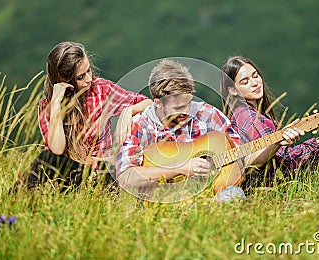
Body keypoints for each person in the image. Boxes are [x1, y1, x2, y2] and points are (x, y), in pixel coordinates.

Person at [115, 59, 302, 202]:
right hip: (164, 203)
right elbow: (126, 177)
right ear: (158, 103)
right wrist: (180, 169)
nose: (185, 112)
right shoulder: (141, 124)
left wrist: (276, 142)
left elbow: (246, 159)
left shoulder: (208, 114)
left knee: (234, 196)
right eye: (177, 108)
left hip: (211, 199)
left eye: (187, 104)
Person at [12, 41, 152, 191]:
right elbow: (57, 150)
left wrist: (128, 111)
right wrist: (56, 105)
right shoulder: (49, 105)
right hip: (72, 173)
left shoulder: (101, 89)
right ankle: (13, 206)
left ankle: (12, 205)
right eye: (80, 77)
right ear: (64, 80)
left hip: (103, 172)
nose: (88, 79)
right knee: (46, 160)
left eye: (89, 71)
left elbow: (148, 103)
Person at [220, 55, 319, 188]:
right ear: (232, 90)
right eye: (245, 81)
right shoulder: (252, 118)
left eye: (255, 75)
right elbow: (283, 161)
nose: (255, 83)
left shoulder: (237, 114)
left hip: (260, 185)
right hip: (272, 185)